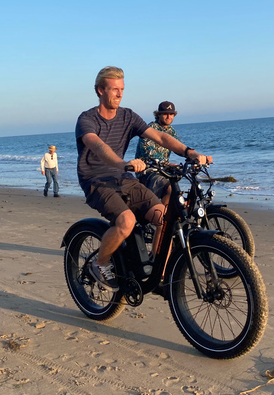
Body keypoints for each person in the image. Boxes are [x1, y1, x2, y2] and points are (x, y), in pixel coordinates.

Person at [75, 66, 210, 291]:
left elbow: (160, 137)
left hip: (124, 178)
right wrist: (121, 163)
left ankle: (159, 272)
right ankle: (100, 264)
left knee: (167, 220)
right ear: (100, 90)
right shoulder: (87, 119)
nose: (119, 94)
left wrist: (190, 152)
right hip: (96, 181)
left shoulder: (128, 116)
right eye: (114, 89)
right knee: (126, 221)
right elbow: (97, 145)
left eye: (122, 89)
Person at [135, 101, 179, 207]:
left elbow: (178, 147)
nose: (169, 117)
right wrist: (166, 164)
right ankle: (161, 220)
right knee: (169, 187)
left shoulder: (171, 131)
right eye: (165, 114)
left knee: (178, 191)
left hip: (163, 171)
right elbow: (149, 152)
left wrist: (193, 156)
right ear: (158, 114)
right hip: (147, 172)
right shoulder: (150, 129)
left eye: (171, 114)